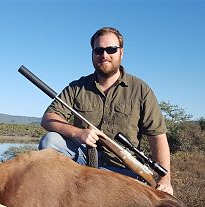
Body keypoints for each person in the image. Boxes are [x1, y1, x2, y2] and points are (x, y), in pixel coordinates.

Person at [39, 26, 173, 195]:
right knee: (50, 141)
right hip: (81, 162)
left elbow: (158, 137)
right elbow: (48, 118)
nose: (104, 55)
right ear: (92, 54)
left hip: (121, 169)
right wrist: (77, 133)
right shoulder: (77, 87)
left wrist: (165, 179)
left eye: (111, 49)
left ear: (121, 53)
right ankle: (59, 196)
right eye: (99, 50)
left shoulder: (141, 90)